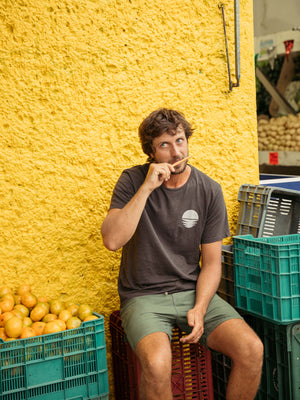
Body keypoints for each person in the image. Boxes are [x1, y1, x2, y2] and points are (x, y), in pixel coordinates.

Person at [101, 108, 263, 400]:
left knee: (252, 350)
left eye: (179, 140)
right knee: (157, 364)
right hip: (143, 296)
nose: (175, 152)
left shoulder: (209, 189)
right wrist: (148, 188)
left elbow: (212, 264)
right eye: (164, 145)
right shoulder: (132, 180)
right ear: (151, 152)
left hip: (192, 291)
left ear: (187, 140)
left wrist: (200, 308)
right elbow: (112, 240)